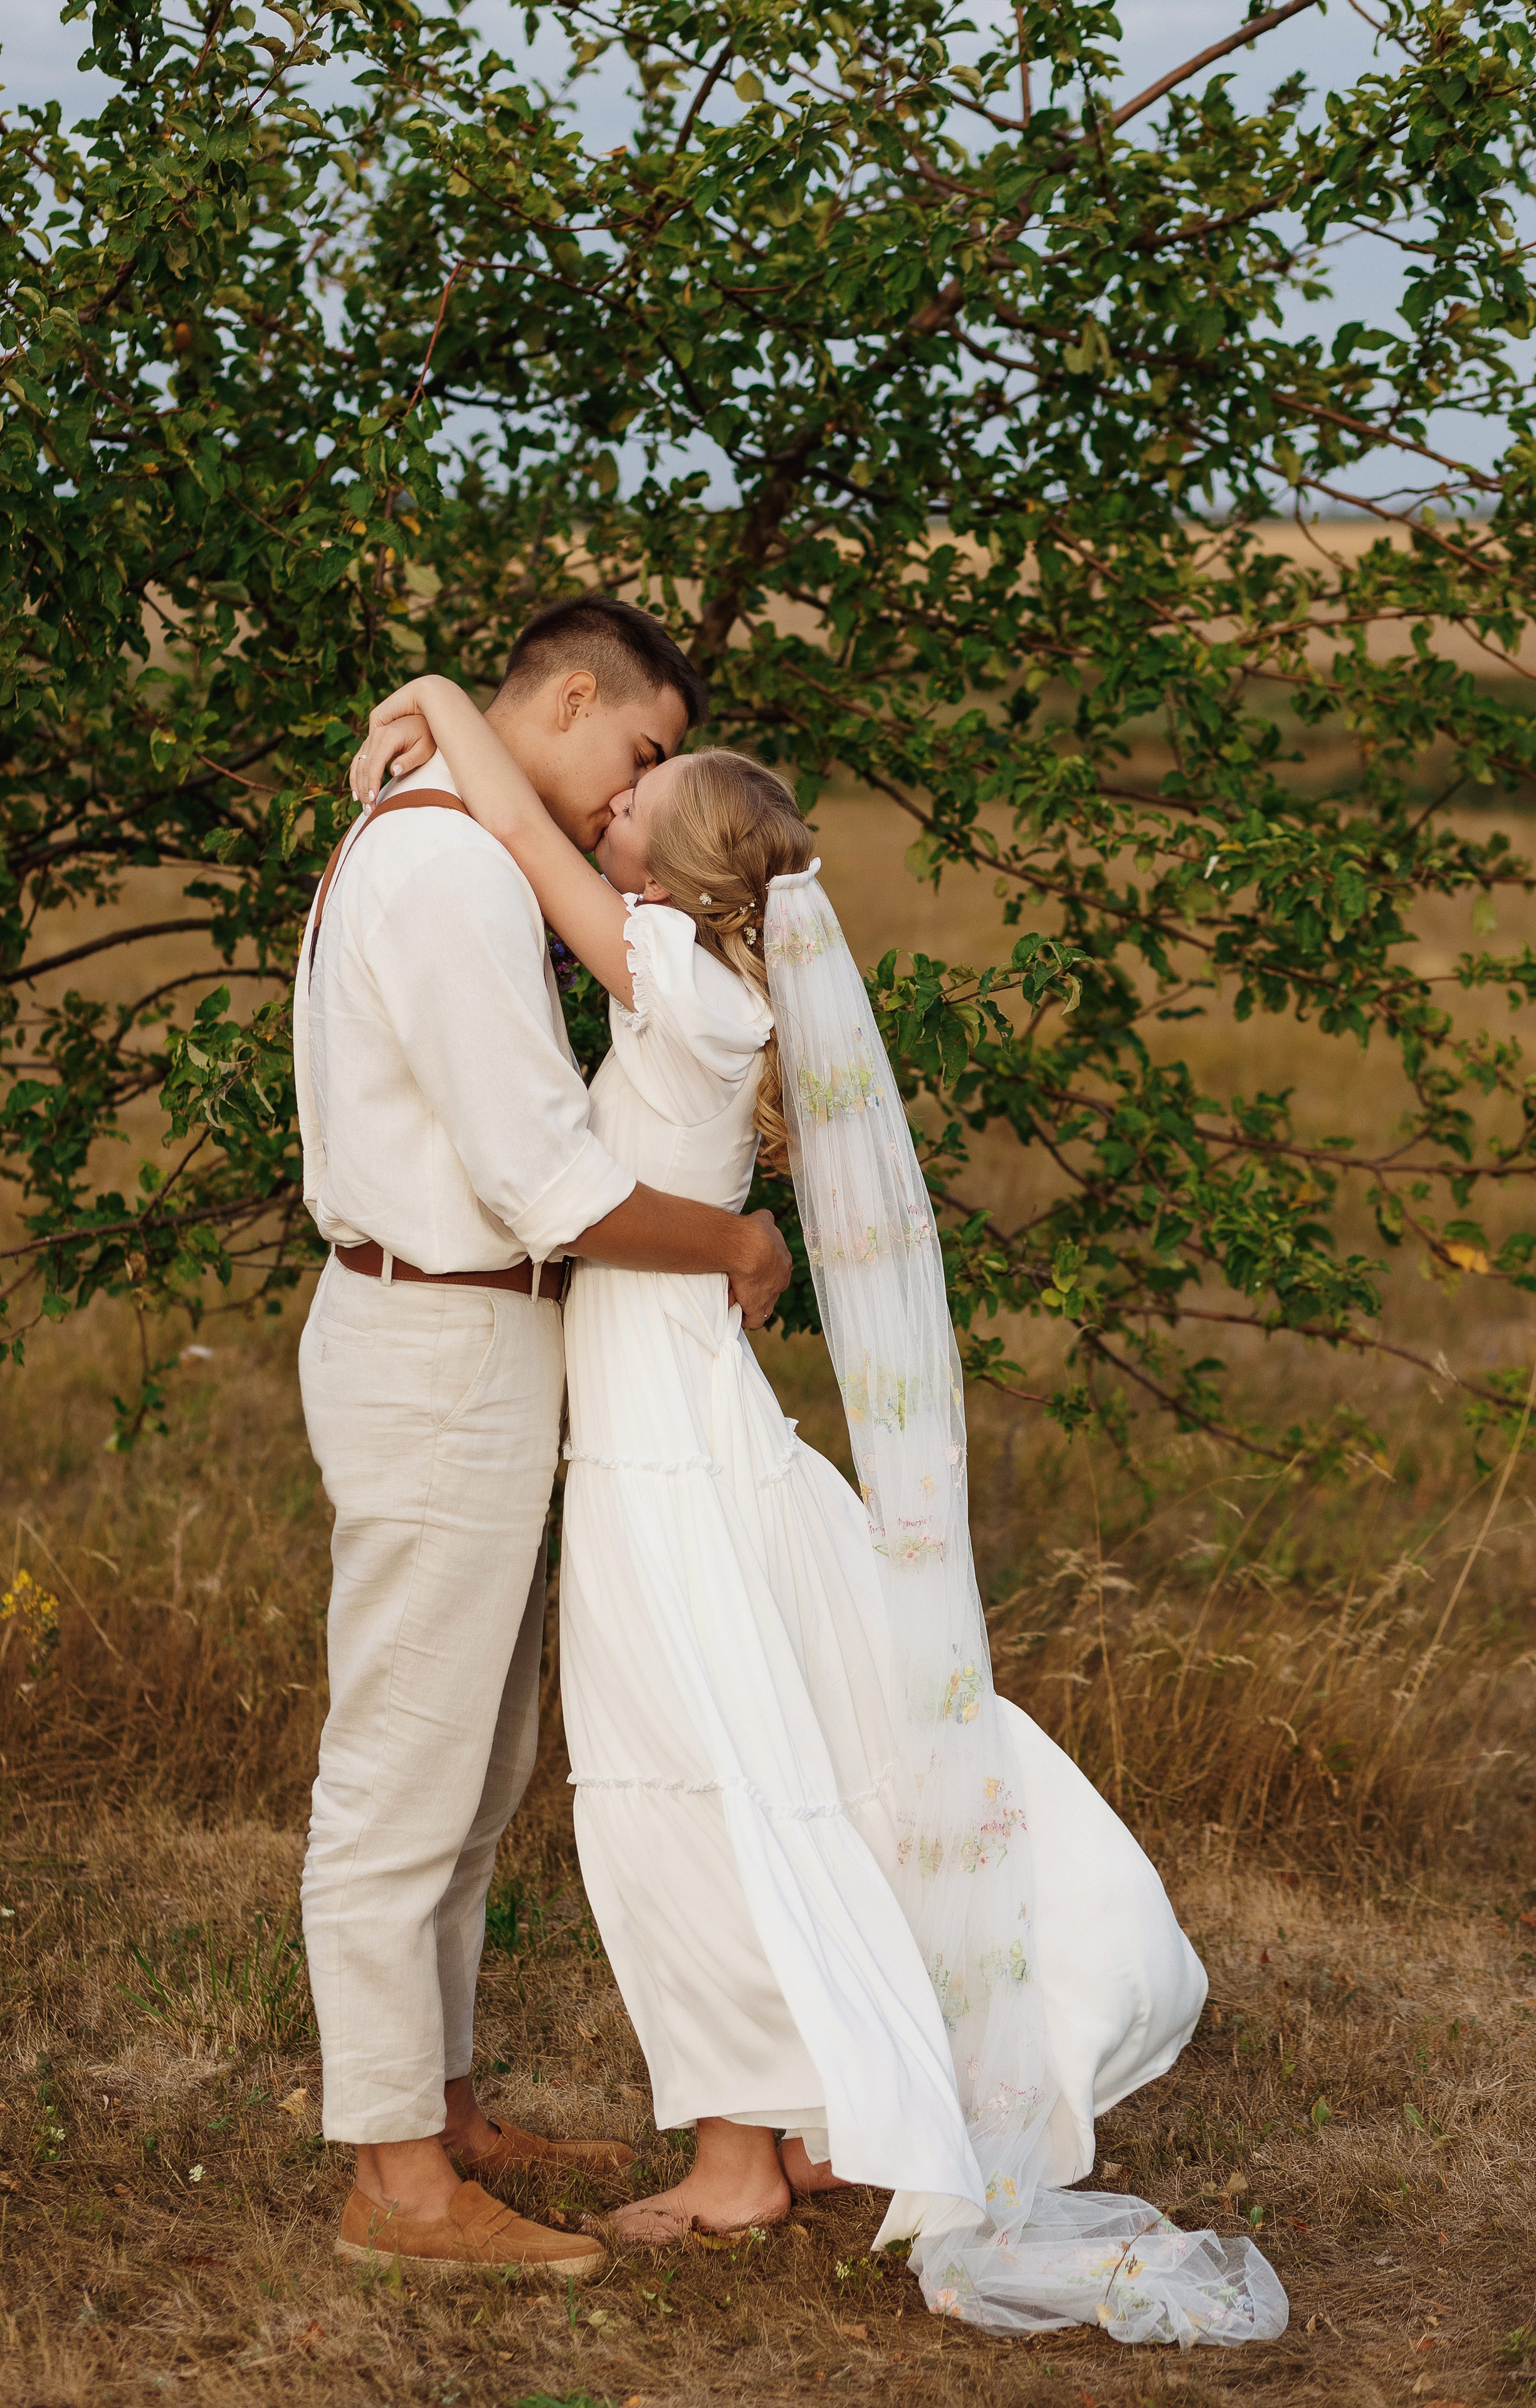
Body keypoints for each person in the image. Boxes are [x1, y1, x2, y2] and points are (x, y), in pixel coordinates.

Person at [350, 672, 1289, 2348]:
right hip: (673, 1408)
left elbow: (505, 815)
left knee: (688, 1767)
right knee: (746, 1741)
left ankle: (739, 2160)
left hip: (659, 1434)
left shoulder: (660, 969)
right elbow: (529, 834)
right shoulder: (712, 988)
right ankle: (798, 2112)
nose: (607, 807)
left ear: (676, 875)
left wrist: (436, 697)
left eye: (638, 799)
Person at [294, 598, 792, 2285]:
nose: (627, 793)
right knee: (400, 1776)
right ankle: (395, 2182)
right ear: (569, 698)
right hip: (435, 1334)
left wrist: (433, 694)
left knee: (480, 1764)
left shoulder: (460, 840)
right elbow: (552, 1185)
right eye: (641, 753)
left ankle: (440, 2104)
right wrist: (735, 1243)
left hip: (479, 1339)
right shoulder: (437, 869)